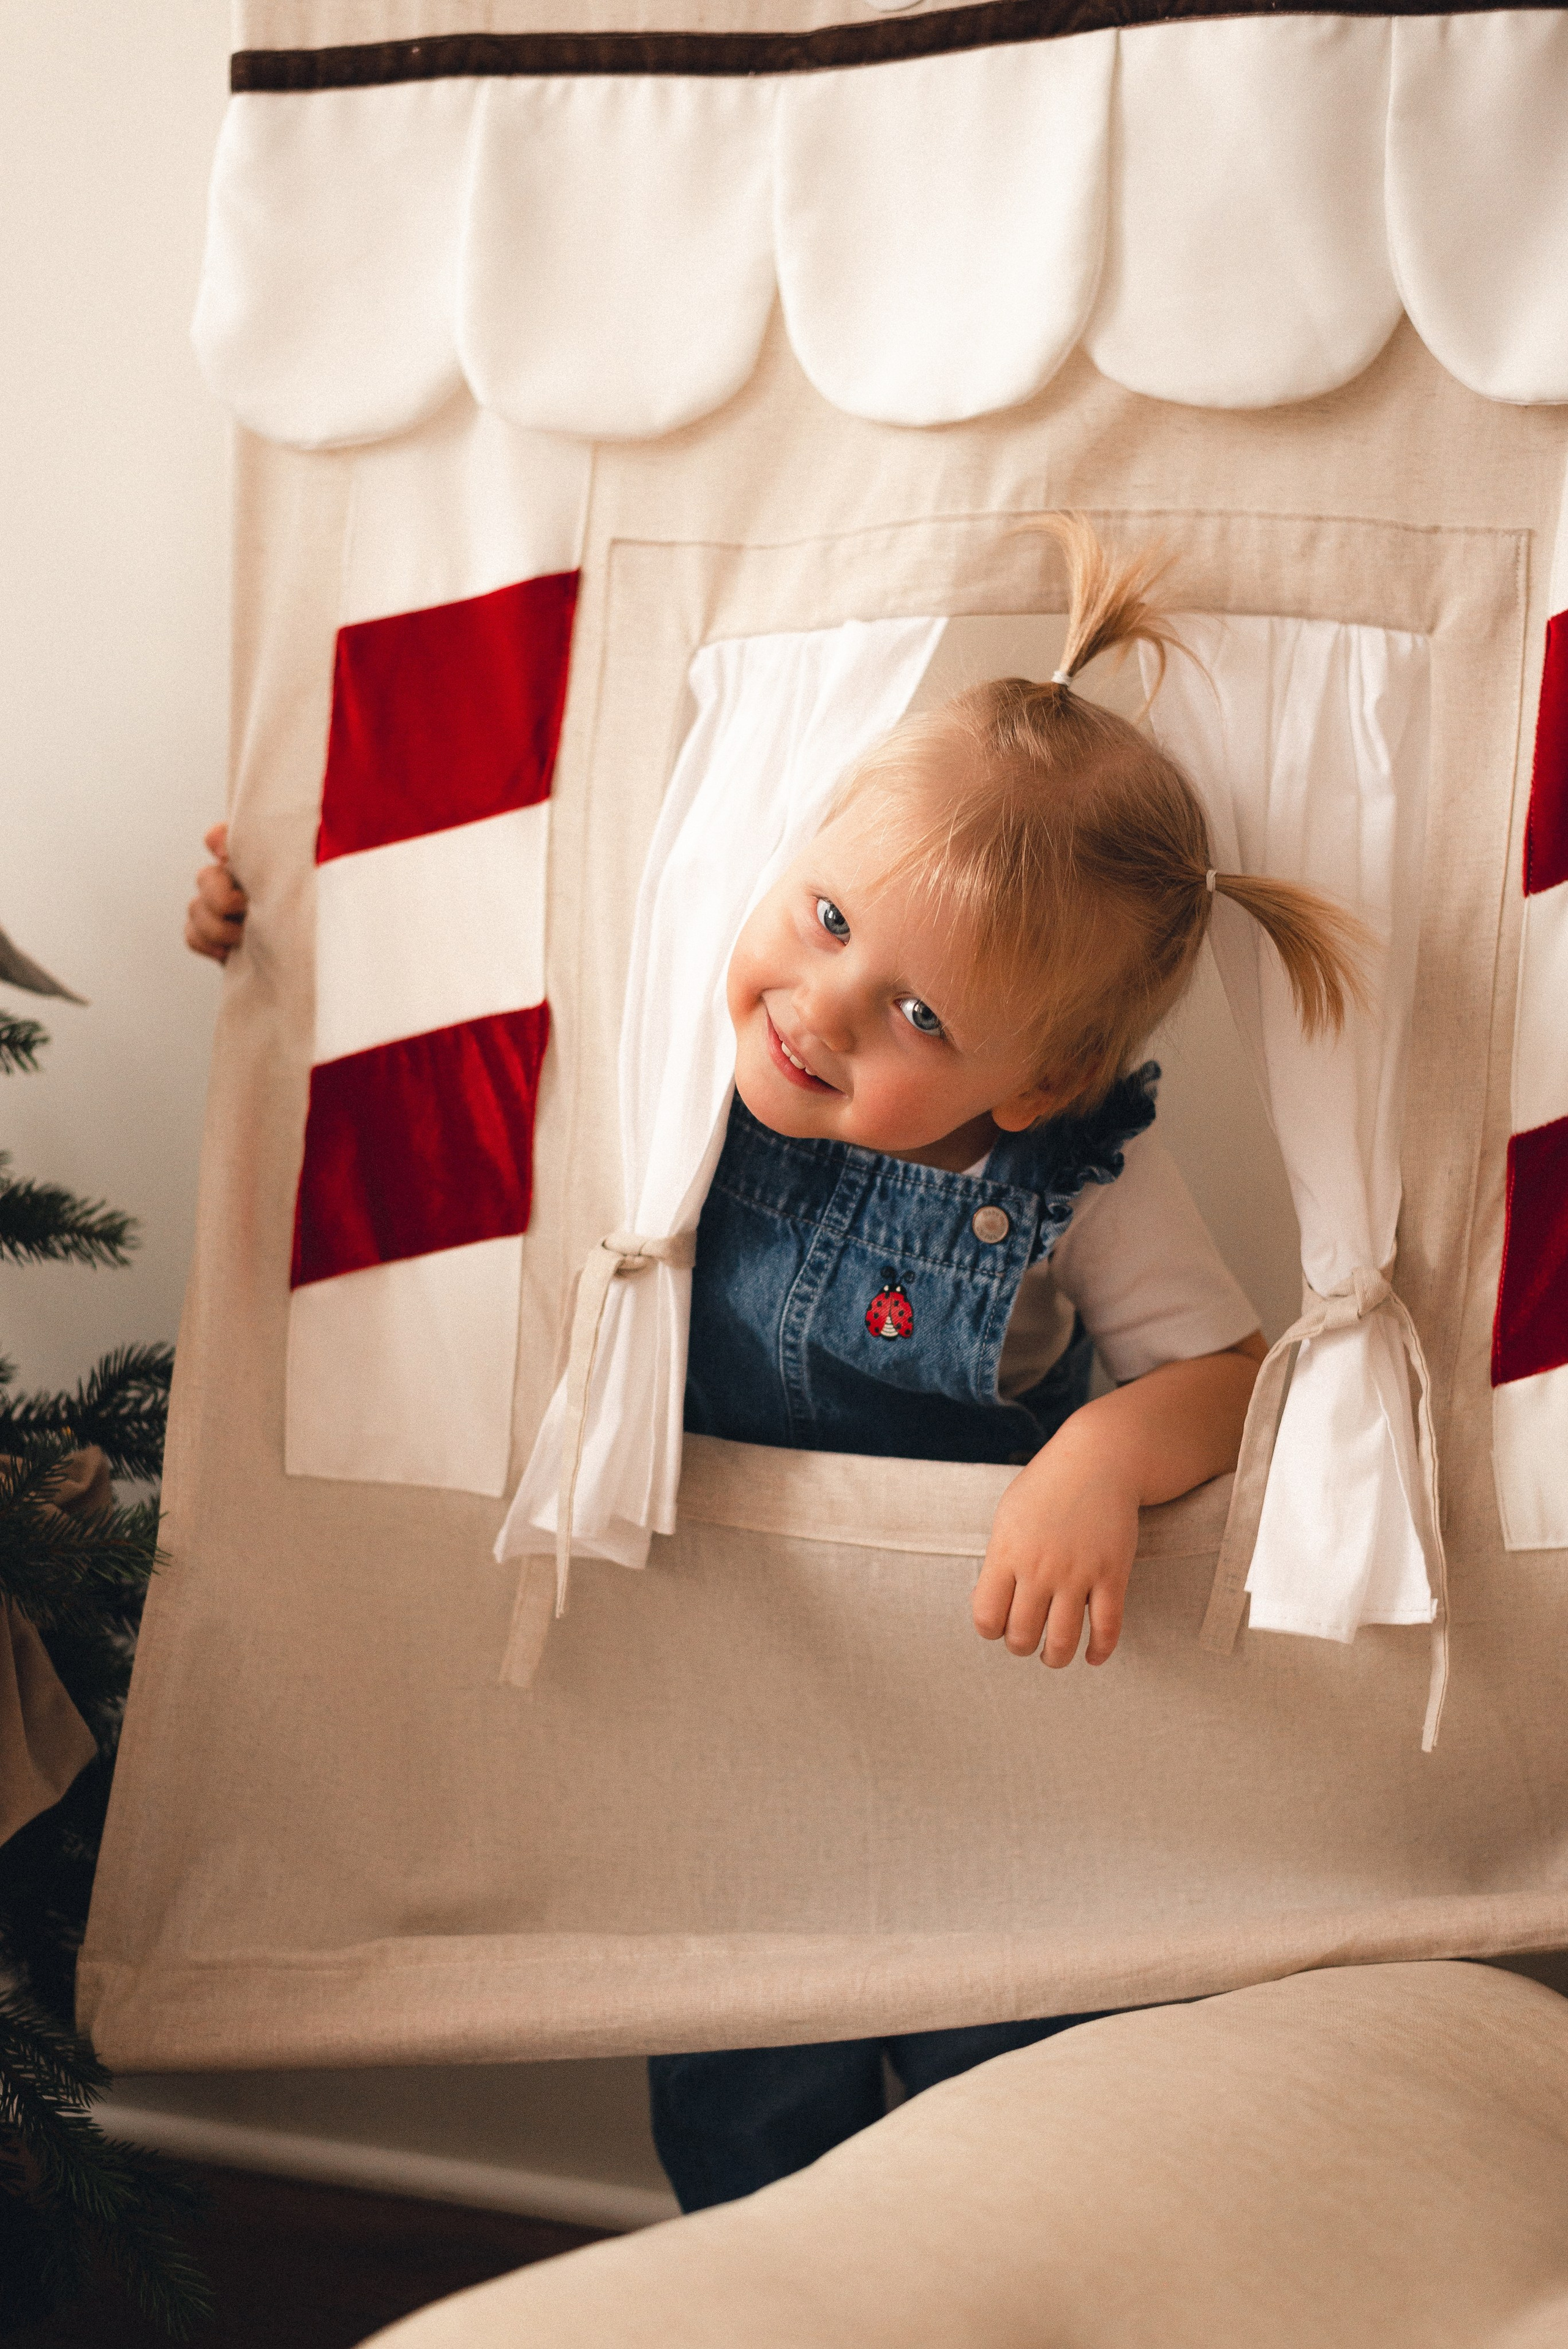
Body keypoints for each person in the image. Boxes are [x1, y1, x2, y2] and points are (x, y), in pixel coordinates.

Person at [184, 516, 1363, 2213]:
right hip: (734, 1708)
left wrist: (1101, 1458)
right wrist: (279, 912)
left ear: (1037, 1083)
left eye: (923, 1018)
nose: (823, 1007)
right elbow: (455, 976)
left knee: (1004, 2104)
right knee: (744, 2106)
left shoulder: (1078, 1178)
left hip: (983, 1740)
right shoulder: (681, 1036)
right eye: (825, 917)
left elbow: (1234, 1371)